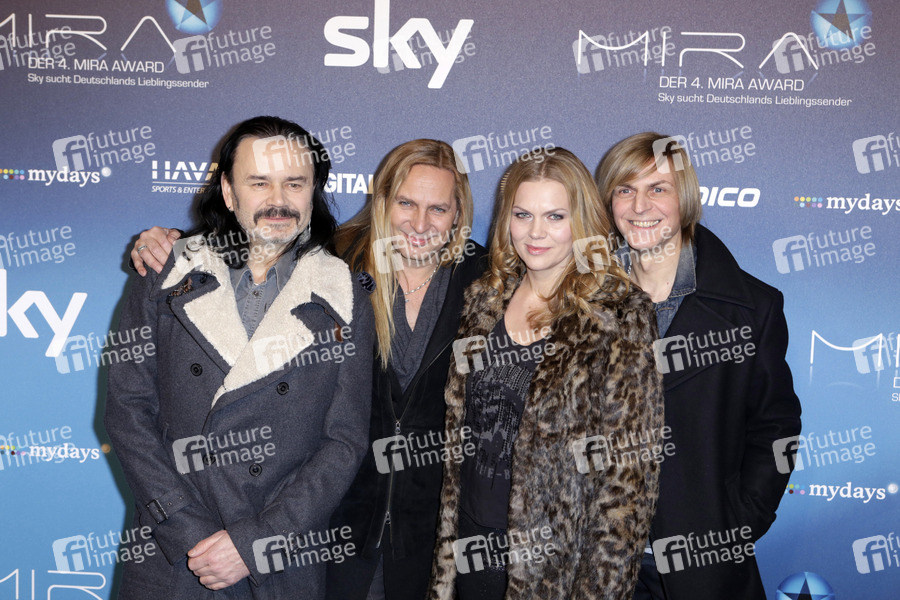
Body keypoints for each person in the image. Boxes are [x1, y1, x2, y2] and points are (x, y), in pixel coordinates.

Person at [129, 139, 488, 600]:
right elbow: (239, 253)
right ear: (382, 201)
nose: (420, 223)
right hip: (332, 524)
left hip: (434, 526)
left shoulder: (487, 281)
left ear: (459, 213)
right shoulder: (333, 264)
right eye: (406, 203)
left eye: (438, 208)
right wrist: (167, 241)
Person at [105, 116, 374, 599]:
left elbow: (344, 442)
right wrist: (186, 529)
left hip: (278, 560)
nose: (278, 200)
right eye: (259, 182)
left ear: (313, 192)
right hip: (174, 556)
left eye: (295, 183)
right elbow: (127, 411)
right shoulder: (166, 273)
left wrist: (255, 544)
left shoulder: (345, 294)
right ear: (229, 192)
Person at [429, 147, 664, 599]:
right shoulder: (484, 298)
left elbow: (628, 486)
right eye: (522, 214)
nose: (535, 232)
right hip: (468, 542)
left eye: (555, 216)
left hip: (553, 567)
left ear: (582, 222)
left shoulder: (620, 314)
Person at [595, 132, 802, 600]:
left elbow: (777, 429)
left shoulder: (751, 308)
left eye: (658, 188)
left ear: (685, 198)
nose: (640, 206)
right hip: (596, 562)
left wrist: (741, 520)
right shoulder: (583, 300)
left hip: (700, 563)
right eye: (625, 189)